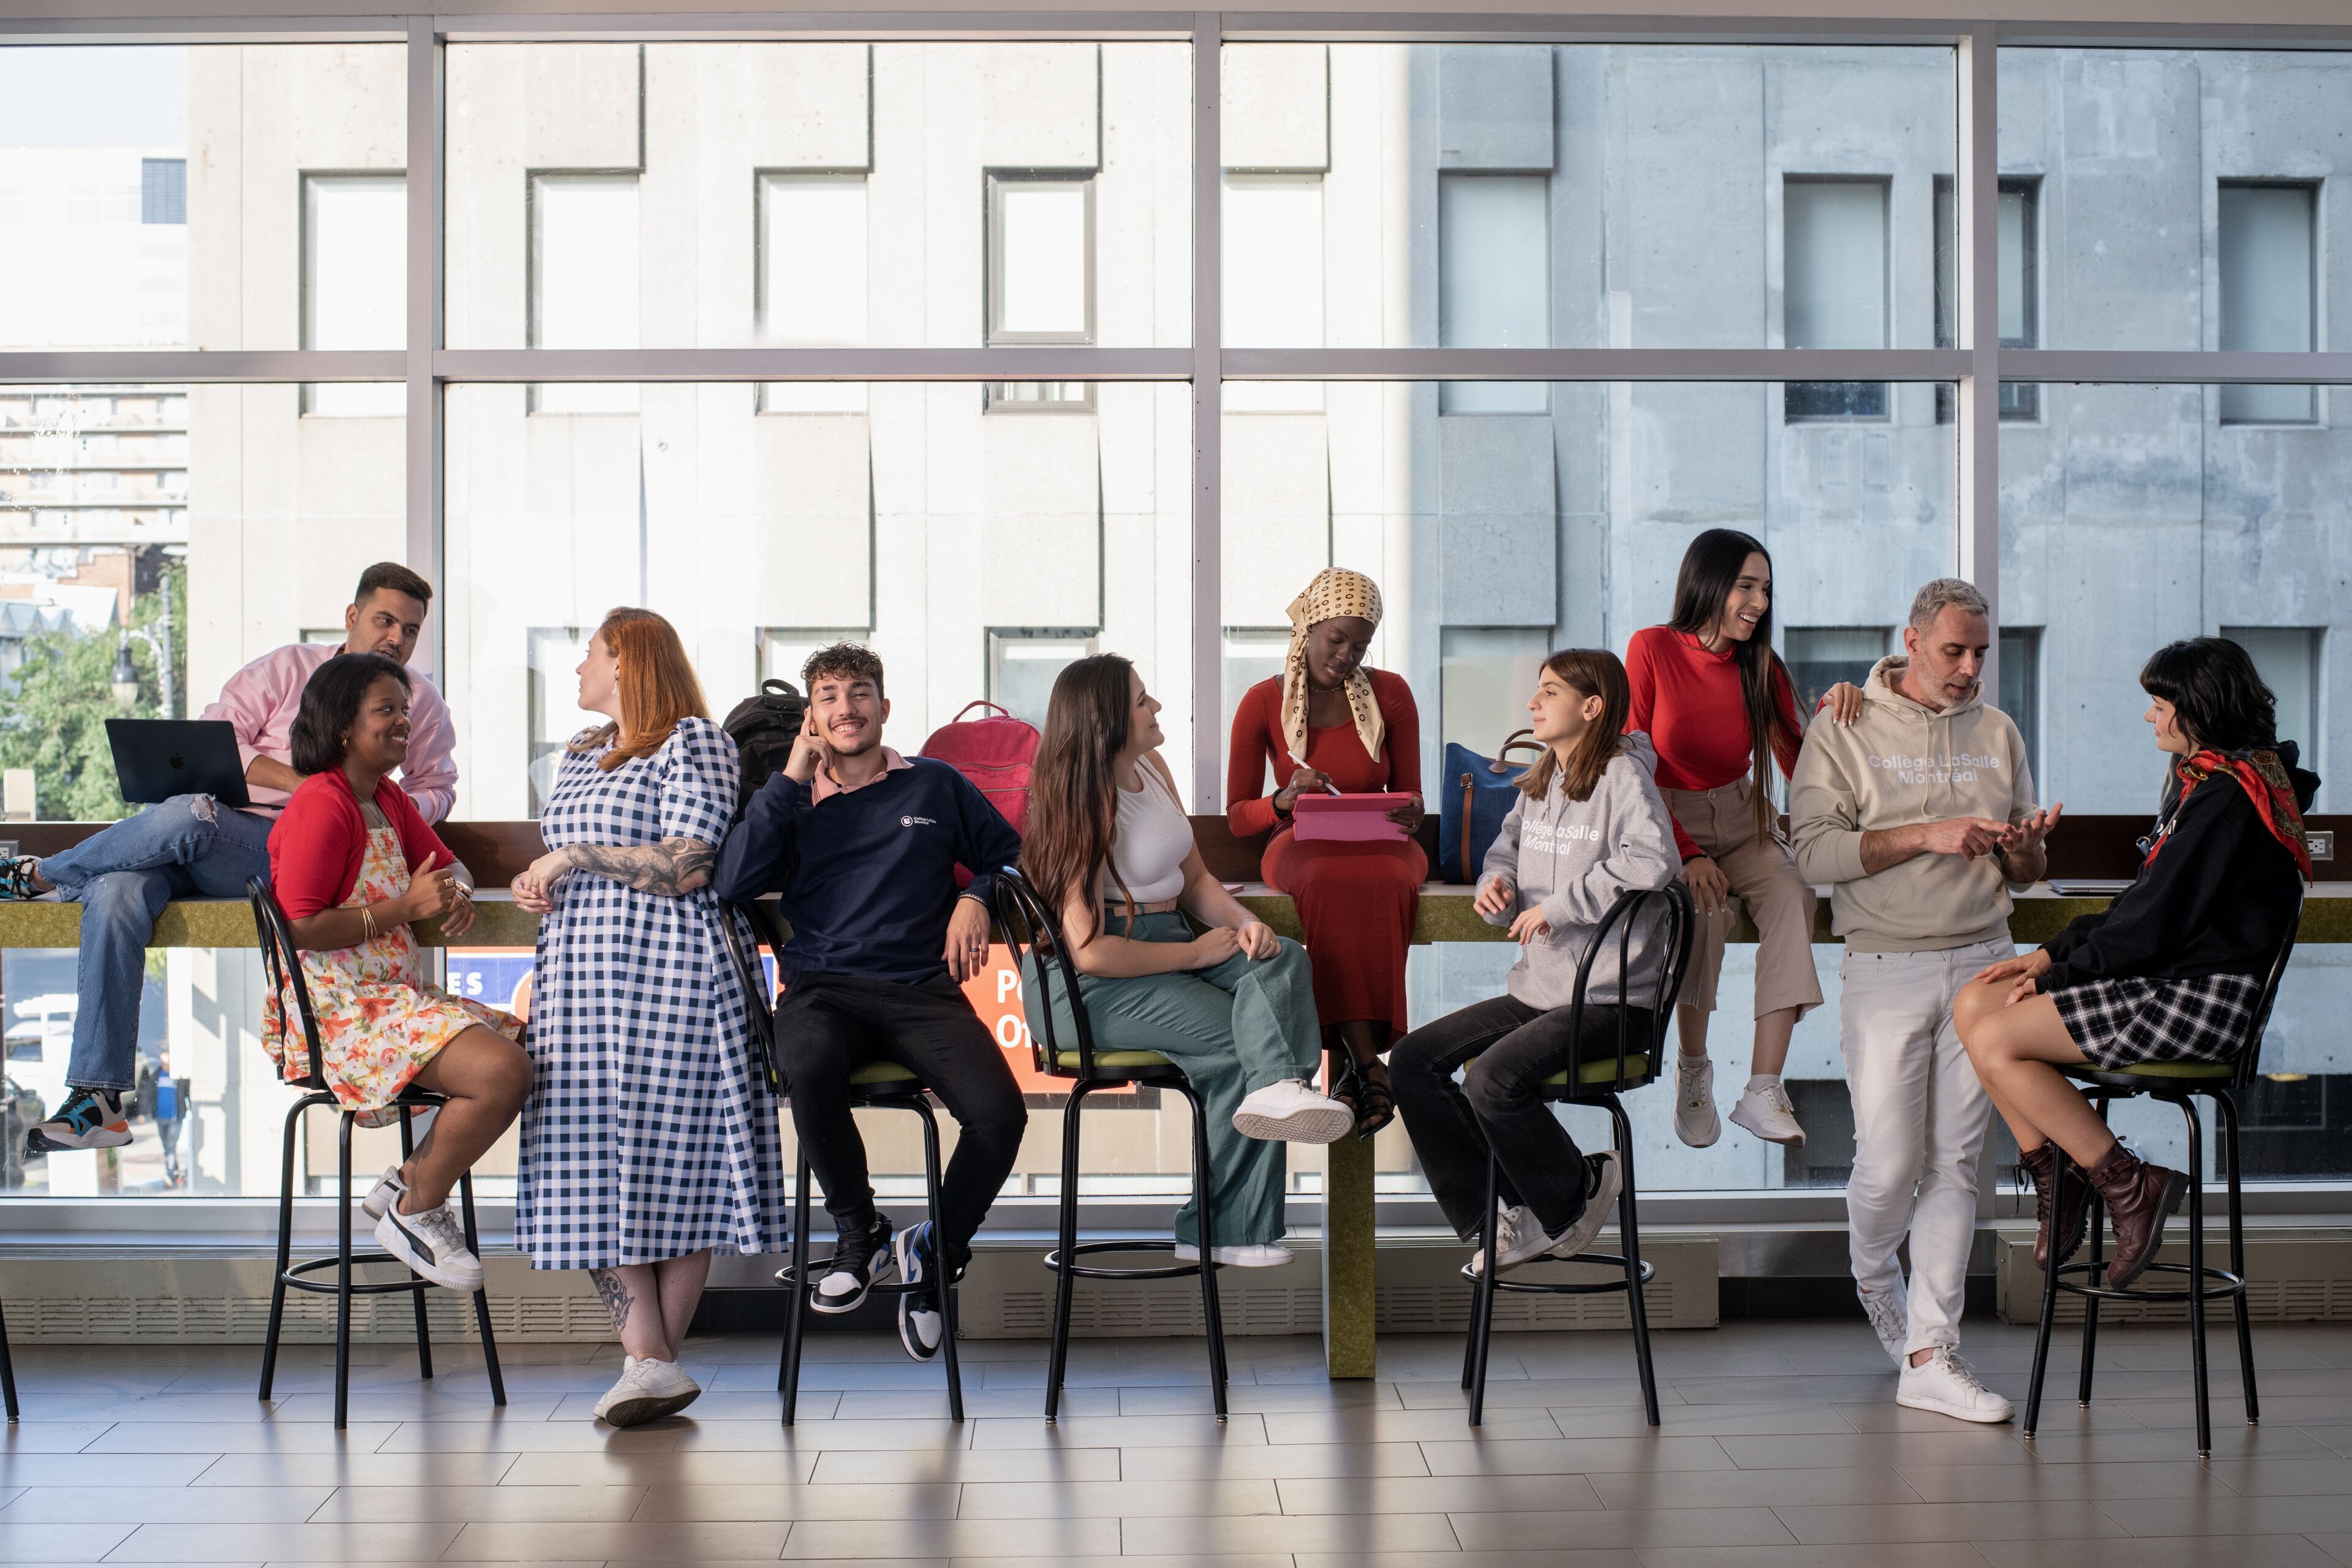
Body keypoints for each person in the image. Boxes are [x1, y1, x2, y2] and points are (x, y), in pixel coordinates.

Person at [4, 562, 455, 1155]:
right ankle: (100, 1100)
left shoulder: (413, 703)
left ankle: (41, 874)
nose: (398, 638)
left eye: (412, 629)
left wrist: (365, 806)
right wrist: (305, 785)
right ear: (352, 618)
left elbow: (438, 785)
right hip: (219, 837)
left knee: (191, 813)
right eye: (385, 620)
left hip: (291, 857)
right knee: (117, 891)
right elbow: (218, 733)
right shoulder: (288, 669)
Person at [1958, 638, 2316, 1297]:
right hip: (2172, 979)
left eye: (2159, 704)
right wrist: (2048, 954)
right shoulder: (2211, 781)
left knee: (1996, 1035)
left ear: (2196, 710)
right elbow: (2145, 906)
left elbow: (2154, 926)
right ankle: (2063, 1179)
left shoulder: (2227, 799)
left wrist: (2060, 973)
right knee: (1974, 1004)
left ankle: (2127, 1183)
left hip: (2201, 998)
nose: (2150, 717)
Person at [1790, 579, 2058, 1424]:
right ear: (1912, 641)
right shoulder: (1844, 725)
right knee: (1891, 1164)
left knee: (1955, 1168)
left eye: (1982, 652)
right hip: (1886, 966)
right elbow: (1814, 857)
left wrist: (2025, 853)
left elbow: (2024, 873)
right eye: (1954, 650)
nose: (1971, 667)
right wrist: (1928, 834)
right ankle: (1876, 1275)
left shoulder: (2000, 731)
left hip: (1985, 964)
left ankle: (1932, 1353)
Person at [713, 641, 1026, 1364]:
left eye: (859, 692)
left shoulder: (935, 785)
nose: (845, 707)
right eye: (827, 695)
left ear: (884, 707)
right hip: (824, 989)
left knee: (999, 1114)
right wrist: (791, 775)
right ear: (812, 717)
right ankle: (861, 1233)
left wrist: (977, 894)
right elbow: (732, 883)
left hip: (923, 989)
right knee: (806, 1063)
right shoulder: (788, 799)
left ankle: (936, 1254)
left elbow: (1007, 853)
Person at [512, 608, 782, 1428]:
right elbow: (583, 854)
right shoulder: (580, 753)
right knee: (589, 1160)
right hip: (582, 977)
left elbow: (690, 862)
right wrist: (544, 879)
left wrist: (574, 856)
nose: (578, 670)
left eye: (589, 654)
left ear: (628, 661)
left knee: (676, 1164)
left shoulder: (694, 740)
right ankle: (652, 1363)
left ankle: (648, 1362)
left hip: (672, 972)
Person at [1021, 655, 1350, 1268]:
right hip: (1089, 986)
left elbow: (1194, 877)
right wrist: (1197, 950)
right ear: (1108, 719)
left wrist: (1246, 925)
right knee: (1237, 1040)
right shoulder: (1077, 803)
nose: (1157, 708)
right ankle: (1224, 1225)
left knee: (1285, 963)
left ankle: (1280, 1086)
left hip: (1169, 937)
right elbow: (1088, 949)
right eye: (1143, 700)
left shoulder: (1151, 765)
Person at [1389, 649, 1679, 1270]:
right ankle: (1505, 1214)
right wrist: (1494, 886)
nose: (1533, 702)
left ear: (1591, 706)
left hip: (1613, 1001)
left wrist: (1561, 906)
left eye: (1549, 691)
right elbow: (1506, 853)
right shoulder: (1544, 775)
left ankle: (1576, 1192)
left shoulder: (1625, 776)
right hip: (1541, 989)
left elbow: (1655, 860)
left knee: (1490, 1078)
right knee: (1412, 1061)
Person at [265, 652, 529, 1295]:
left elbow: (446, 864)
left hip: (390, 999)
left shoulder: (386, 797)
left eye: (404, 711)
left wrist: (455, 890)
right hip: (336, 1013)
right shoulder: (320, 804)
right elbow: (298, 928)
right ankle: (416, 1209)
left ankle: (408, 1180)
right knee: (501, 1070)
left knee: (530, 1043)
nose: (404, 723)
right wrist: (406, 908)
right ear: (341, 724)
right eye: (387, 710)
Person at [1627, 528, 1823, 1150]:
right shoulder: (1651, 648)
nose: (1759, 602)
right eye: (1746, 586)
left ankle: (1764, 1087)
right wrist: (1685, 852)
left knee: (1793, 898)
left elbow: (1805, 764)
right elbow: (1633, 765)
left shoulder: (1761, 665)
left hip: (1744, 819)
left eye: (1765, 589)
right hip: (1670, 819)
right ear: (1708, 584)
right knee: (1705, 912)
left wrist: (1847, 714)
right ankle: (1693, 1068)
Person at [1227, 567, 1423, 1139]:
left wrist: (1409, 809)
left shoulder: (1391, 694)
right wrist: (1284, 801)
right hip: (1300, 841)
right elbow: (1239, 816)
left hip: (1383, 841)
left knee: (1387, 878)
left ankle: (1358, 1072)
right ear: (1307, 627)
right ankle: (1369, 1065)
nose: (1346, 655)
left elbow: (1409, 793)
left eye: (1359, 645)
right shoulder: (1263, 700)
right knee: (1325, 880)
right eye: (1336, 639)